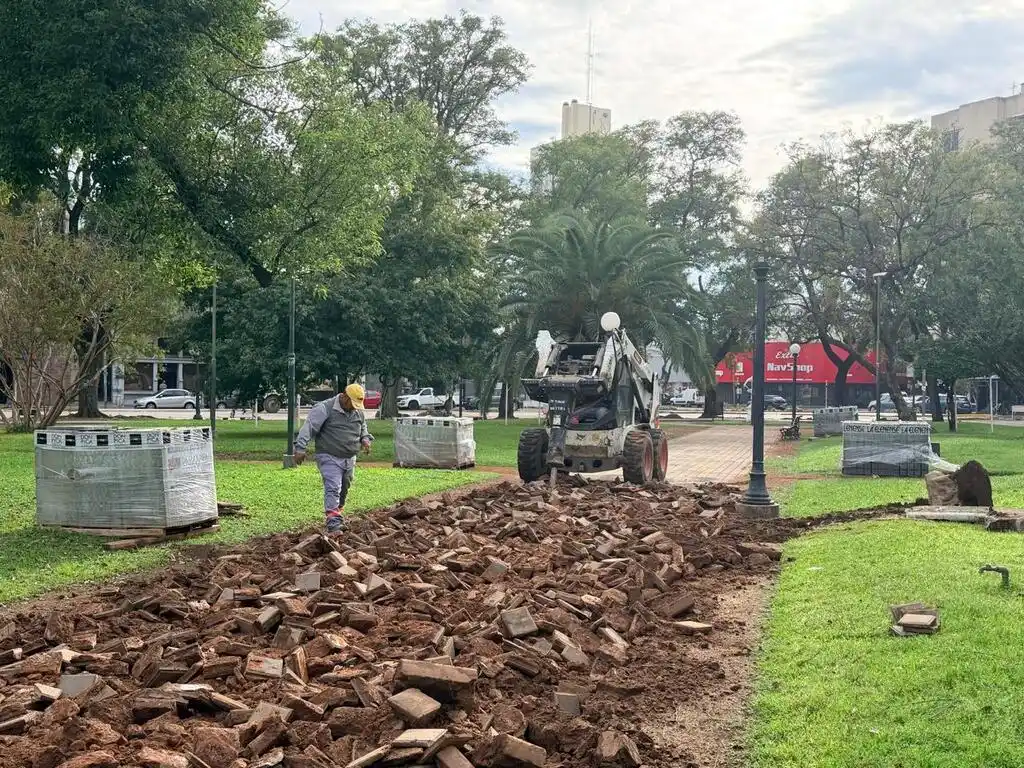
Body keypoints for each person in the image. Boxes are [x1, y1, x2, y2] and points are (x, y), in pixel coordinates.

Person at [294, 383, 373, 533]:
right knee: (333, 487)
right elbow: (308, 427)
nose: (354, 408)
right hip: (328, 455)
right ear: (344, 397)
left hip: (349, 457)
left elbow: (362, 426)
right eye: (352, 404)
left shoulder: (357, 411)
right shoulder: (324, 408)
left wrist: (365, 439)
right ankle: (333, 523)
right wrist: (300, 447)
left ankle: (337, 512)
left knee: (344, 487)